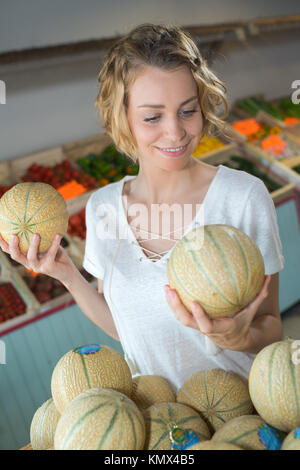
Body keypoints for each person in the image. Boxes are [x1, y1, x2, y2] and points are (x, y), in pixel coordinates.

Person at [0, 23, 284, 391]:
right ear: (124, 119)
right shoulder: (103, 208)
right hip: (156, 420)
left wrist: (238, 338)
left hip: (238, 422)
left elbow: (272, 325)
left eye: (188, 110)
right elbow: (130, 329)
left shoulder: (243, 196)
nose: (176, 132)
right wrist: (68, 275)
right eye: (153, 117)